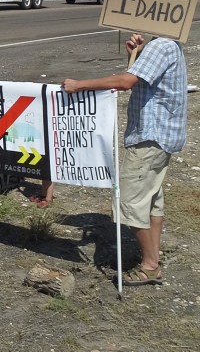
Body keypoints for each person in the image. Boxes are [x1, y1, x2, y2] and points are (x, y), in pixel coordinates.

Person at [61, 33, 187, 286]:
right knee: (151, 200)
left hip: (150, 136)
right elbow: (145, 80)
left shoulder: (161, 46)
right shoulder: (166, 45)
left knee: (129, 202)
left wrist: (80, 84)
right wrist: (137, 54)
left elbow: (127, 81)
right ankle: (152, 257)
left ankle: (150, 266)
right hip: (160, 135)